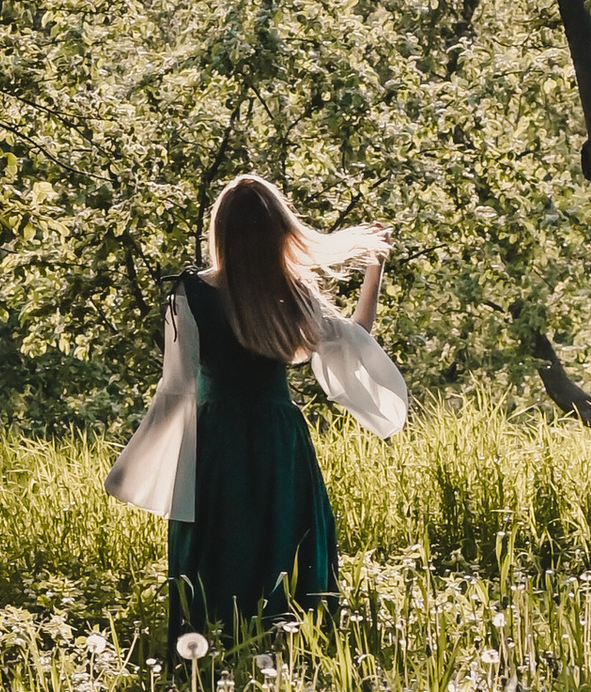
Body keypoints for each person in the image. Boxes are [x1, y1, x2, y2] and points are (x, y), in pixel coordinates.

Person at [108, 173, 407, 657]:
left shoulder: (190, 294)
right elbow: (357, 338)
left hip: (217, 442)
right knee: (282, 541)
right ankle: (292, 652)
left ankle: (211, 655)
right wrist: (374, 270)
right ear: (280, 231)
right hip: (276, 439)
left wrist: (137, 467)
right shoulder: (291, 293)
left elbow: (177, 389)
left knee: (220, 548)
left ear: (220, 231)